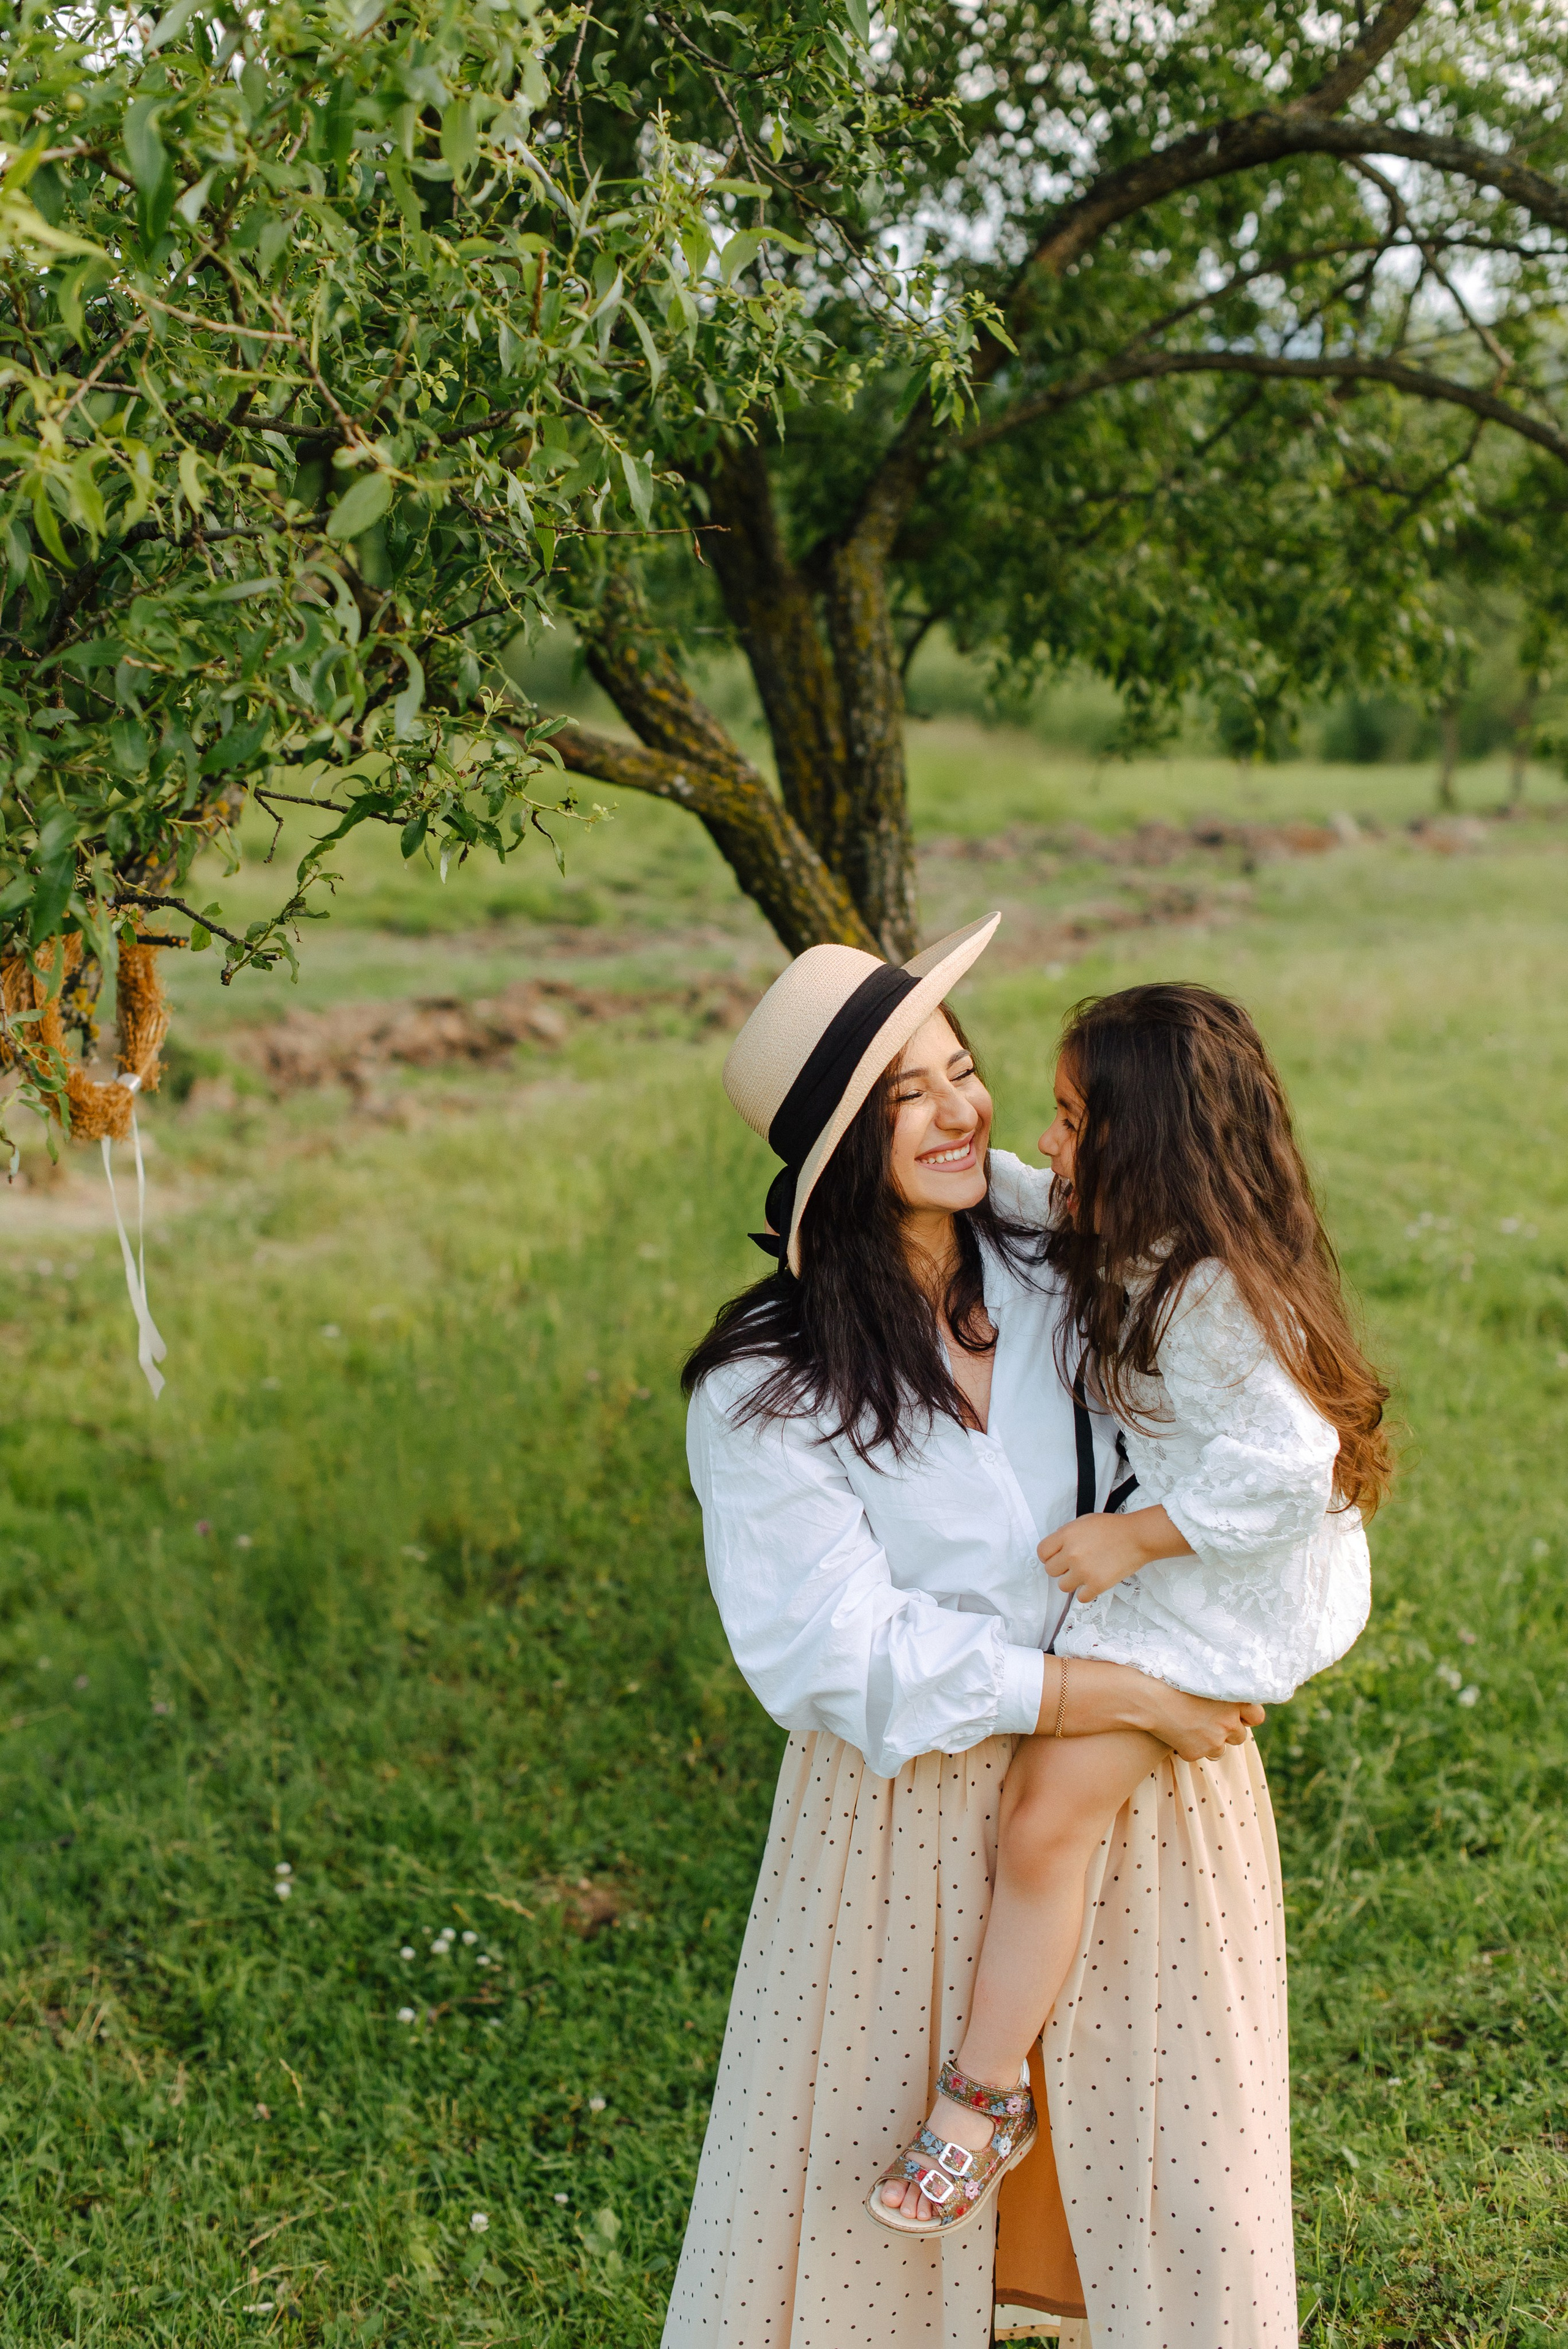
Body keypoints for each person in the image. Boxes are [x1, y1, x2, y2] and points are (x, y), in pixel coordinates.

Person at [663, 921, 1291, 2349]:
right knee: (853, 2247)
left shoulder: (1069, 1246)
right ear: (837, 1141)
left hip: (1140, 1783)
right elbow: (832, 1649)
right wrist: (1094, 1687)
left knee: (1184, 2205)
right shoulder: (768, 1385)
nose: (961, 1111)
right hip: (911, 1815)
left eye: (962, 1071)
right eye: (907, 1095)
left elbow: (1245, 1396)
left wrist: (1210, 1649)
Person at [872, 983, 1390, 2259]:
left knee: (1045, 1813)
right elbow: (1007, 1190)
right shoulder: (1135, 1216)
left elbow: (1293, 1464)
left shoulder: (1212, 1292)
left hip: (1226, 1590)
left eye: (1066, 1117)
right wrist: (909, 1164)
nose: (1046, 1144)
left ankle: (982, 2100)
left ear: (1143, 1141)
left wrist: (1134, 1536)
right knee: (1045, 1805)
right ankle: (992, 2089)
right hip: (1196, 1563)